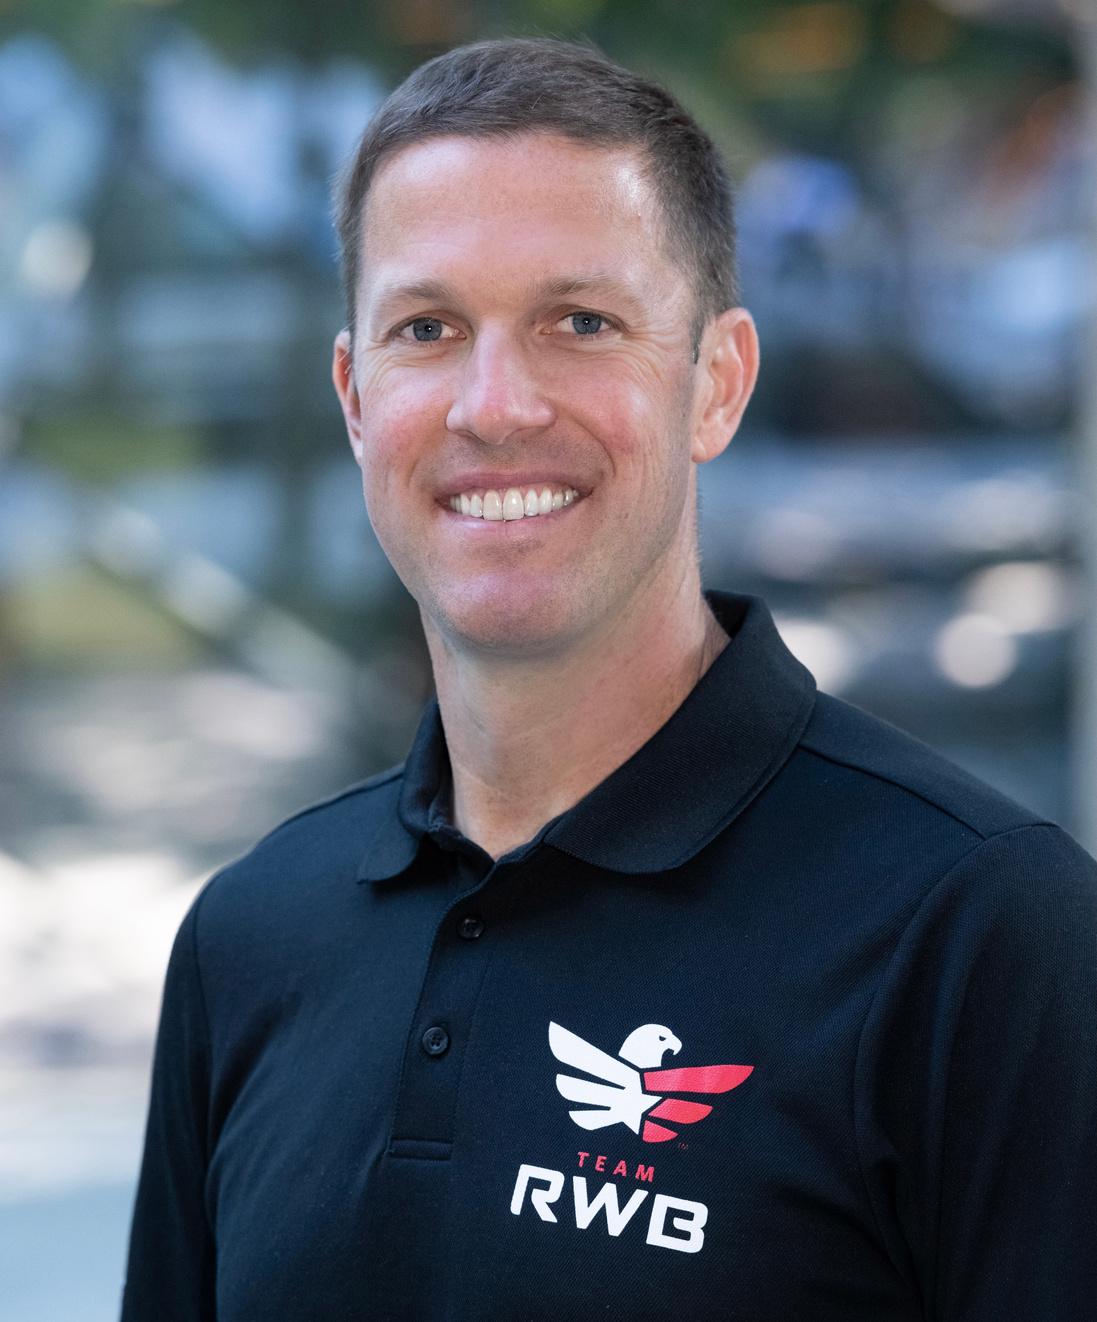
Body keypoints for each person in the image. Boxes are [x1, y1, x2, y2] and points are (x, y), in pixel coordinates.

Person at [121, 36, 1097, 1321]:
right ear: (355, 397)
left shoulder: (980, 933)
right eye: (428, 328)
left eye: (579, 323)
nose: (495, 405)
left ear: (715, 383)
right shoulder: (249, 936)